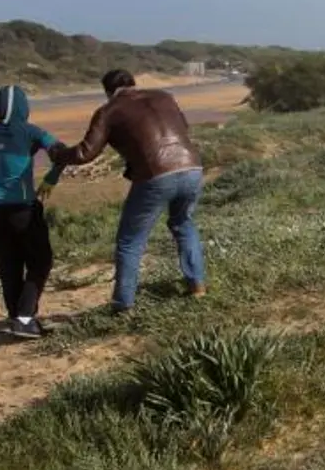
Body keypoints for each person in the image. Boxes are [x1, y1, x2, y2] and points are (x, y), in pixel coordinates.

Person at [49, 69, 207, 312]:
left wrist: (58, 154)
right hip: (192, 167)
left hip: (156, 174)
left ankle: (123, 305)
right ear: (133, 84)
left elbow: (85, 153)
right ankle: (197, 286)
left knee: (130, 241)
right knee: (184, 223)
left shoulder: (109, 111)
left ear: (108, 92)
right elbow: (183, 126)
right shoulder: (164, 97)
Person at [0, 85, 65, 339]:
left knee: (9, 266)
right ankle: (25, 318)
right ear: (25, 108)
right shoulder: (30, 132)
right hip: (23, 209)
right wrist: (51, 178)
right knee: (40, 261)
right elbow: (62, 153)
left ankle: (16, 317)